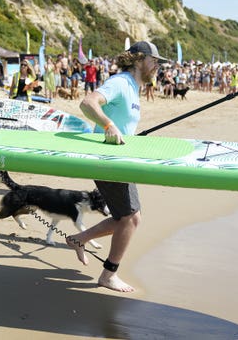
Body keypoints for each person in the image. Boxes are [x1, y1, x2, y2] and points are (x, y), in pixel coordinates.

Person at [66, 41, 167, 293]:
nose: (157, 66)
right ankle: (108, 275)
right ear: (139, 59)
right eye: (154, 60)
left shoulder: (134, 87)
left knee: (127, 218)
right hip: (107, 161)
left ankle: (80, 239)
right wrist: (109, 125)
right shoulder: (121, 82)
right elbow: (88, 103)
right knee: (131, 219)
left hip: (119, 160)